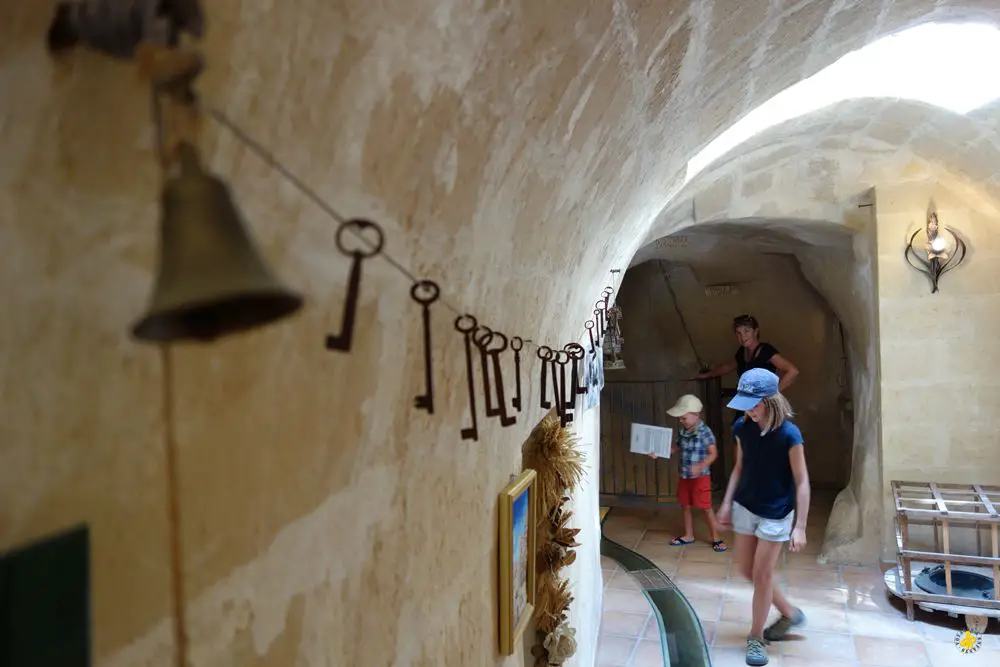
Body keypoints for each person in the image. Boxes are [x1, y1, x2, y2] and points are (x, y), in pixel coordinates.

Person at [716, 368, 811, 667]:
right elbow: (739, 468)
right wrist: (727, 502)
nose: (748, 409)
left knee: (762, 576)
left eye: (753, 403)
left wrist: (801, 527)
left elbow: (802, 481)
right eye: (745, 403)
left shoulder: (790, 435)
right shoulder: (742, 428)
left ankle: (756, 638)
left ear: (771, 400)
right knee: (747, 571)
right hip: (746, 505)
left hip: (776, 513)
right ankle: (790, 613)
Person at [657, 394, 727, 552]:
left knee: (706, 507)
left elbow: (713, 453)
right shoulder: (683, 431)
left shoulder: (705, 432)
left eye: (684, 418)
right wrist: (659, 452)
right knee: (685, 505)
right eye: (680, 419)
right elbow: (676, 448)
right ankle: (688, 535)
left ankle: (716, 538)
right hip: (684, 476)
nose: (681, 421)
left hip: (701, 478)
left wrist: (701, 465)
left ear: (696, 415)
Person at [691, 314, 799, 392]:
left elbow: (793, 371)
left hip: (764, 404)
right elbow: (728, 367)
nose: (743, 337)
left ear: (756, 331)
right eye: (738, 333)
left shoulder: (765, 351)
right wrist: (706, 375)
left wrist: (773, 393)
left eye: (747, 331)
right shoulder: (742, 351)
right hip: (747, 400)